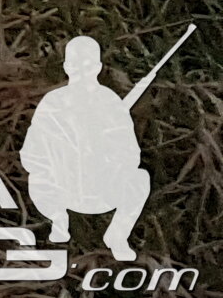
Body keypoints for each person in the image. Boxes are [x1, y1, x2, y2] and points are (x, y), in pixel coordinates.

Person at [23, 36, 154, 261]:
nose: (81, 71)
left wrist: (106, 155)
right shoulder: (53, 102)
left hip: (104, 189)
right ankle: (58, 220)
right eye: (75, 64)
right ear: (66, 66)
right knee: (36, 180)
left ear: (98, 67)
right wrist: (61, 159)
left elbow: (131, 153)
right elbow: (31, 153)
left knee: (140, 180)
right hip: (64, 189)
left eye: (87, 65)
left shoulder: (110, 102)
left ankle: (118, 235)